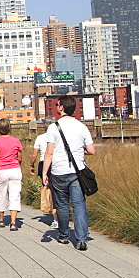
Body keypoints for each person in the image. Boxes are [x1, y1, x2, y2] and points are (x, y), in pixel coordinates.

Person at [43, 96, 96, 251]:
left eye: (57, 104)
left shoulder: (54, 127)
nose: (57, 106)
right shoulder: (81, 127)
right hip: (77, 171)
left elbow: (49, 153)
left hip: (58, 171)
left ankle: (64, 235)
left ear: (61, 108)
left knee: (62, 205)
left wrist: (45, 173)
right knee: (79, 205)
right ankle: (82, 239)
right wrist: (79, 151)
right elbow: (92, 150)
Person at [0, 118, 23, 230]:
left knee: (2, 195)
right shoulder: (16, 141)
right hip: (14, 169)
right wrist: (17, 164)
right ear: (10, 128)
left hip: (2, 170)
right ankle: (13, 222)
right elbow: (19, 157)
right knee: (15, 196)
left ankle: (1, 220)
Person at [29, 126, 58, 227]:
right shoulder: (57, 136)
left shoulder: (40, 138)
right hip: (56, 163)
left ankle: (55, 218)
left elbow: (34, 154)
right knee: (57, 190)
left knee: (49, 190)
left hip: (43, 164)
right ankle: (59, 215)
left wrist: (31, 165)